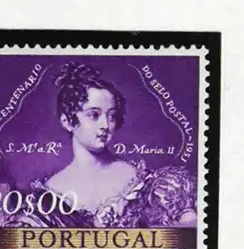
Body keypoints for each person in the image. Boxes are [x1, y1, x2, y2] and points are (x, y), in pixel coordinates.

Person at [34, 64, 197, 231]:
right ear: (67, 122)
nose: (105, 125)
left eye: (111, 116)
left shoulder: (142, 182)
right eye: (94, 115)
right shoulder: (51, 191)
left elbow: (186, 234)